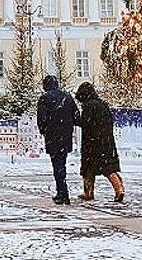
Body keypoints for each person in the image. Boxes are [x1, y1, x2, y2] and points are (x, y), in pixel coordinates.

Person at [76, 81, 124, 203]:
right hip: (106, 140)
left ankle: (88, 193)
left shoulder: (89, 106)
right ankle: (119, 188)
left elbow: (85, 123)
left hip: (92, 142)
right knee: (108, 167)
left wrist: (75, 119)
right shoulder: (102, 104)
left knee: (88, 168)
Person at [36, 75, 79, 205]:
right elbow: (76, 116)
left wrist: (45, 130)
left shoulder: (44, 98)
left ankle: (62, 193)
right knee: (62, 163)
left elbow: (41, 119)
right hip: (65, 135)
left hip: (53, 136)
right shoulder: (67, 97)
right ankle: (62, 191)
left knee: (57, 164)